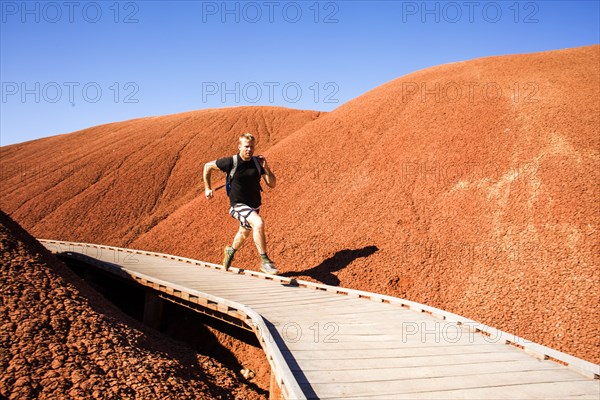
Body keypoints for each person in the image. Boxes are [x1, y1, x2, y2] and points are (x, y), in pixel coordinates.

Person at [203, 133, 278, 274]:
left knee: (243, 233)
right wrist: (207, 188)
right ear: (239, 147)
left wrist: (266, 168)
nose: (249, 150)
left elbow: (272, 184)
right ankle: (265, 261)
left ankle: (230, 251)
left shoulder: (257, 162)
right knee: (259, 223)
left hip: (254, 205)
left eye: (251, 147)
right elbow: (207, 166)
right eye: (246, 147)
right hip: (237, 205)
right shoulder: (230, 162)